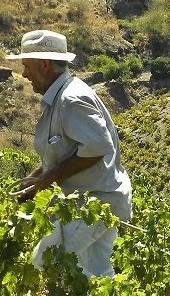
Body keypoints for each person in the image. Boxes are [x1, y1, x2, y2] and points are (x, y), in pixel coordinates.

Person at [7, 29, 132, 279]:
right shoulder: (60, 98)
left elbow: (96, 149)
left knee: (49, 260)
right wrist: (32, 183)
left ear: (44, 65)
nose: (24, 74)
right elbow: (62, 154)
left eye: (27, 66)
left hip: (97, 202)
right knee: (98, 273)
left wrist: (47, 182)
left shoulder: (71, 100)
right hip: (95, 202)